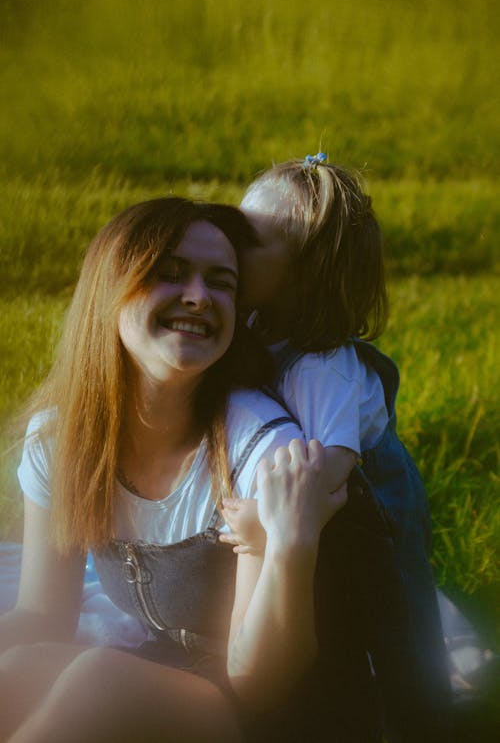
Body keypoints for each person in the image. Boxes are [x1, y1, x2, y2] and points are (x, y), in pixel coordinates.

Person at [0, 196, 346, 743]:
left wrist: (288, 542)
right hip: (164, 671)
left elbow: (261, 686)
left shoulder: (261, 450)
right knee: (14, 671)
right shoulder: (61, 440)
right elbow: (43, 614)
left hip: (263, 708)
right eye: (170, 273)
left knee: (102, 678)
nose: (199, 296)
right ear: (110, 288)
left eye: (222, 282)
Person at [219, 154, 452, 741]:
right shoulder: (255, 324)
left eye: (248, 240)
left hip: (372, 515)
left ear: (303, 275)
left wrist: (258, 525)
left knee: (389, 620)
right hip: (321, 517)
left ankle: (407, 716)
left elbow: (330, 479)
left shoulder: (322, 367)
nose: (228, 243)